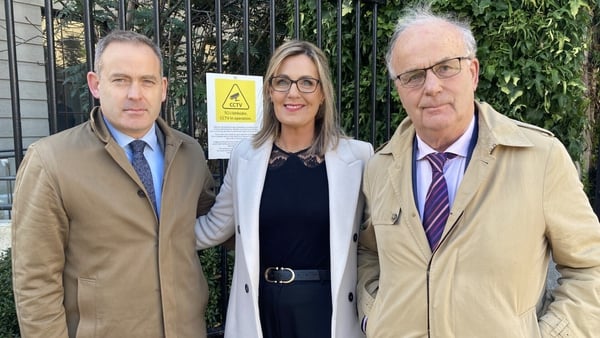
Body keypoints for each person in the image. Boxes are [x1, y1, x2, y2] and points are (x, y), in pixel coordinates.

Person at [357, 5, 600, 337]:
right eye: (413, 76)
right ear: (399, 87)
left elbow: (589, 266)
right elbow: (367, 251)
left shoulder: (540, 158)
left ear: (472, 72)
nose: (431, 87)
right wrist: (375, 316)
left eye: (445, 68)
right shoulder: (378, 168)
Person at [11, 30, 215, 337]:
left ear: (162, 89)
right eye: (121, 80)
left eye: (147, 81)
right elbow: (35, 280)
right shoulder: (51, 160)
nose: (135, 94)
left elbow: (215, 219)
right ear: (95, 84)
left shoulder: (190, 155)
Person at [195, 40, 373, 338]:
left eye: (306, 82)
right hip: (261, 309)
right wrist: (158, 239)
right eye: (282, 82)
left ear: (322, 94)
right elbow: (216, 226)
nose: (293, 93)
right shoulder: (245, 155)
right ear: (269, 91)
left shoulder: (358, 157)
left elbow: (375, 242)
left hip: (326, 312)